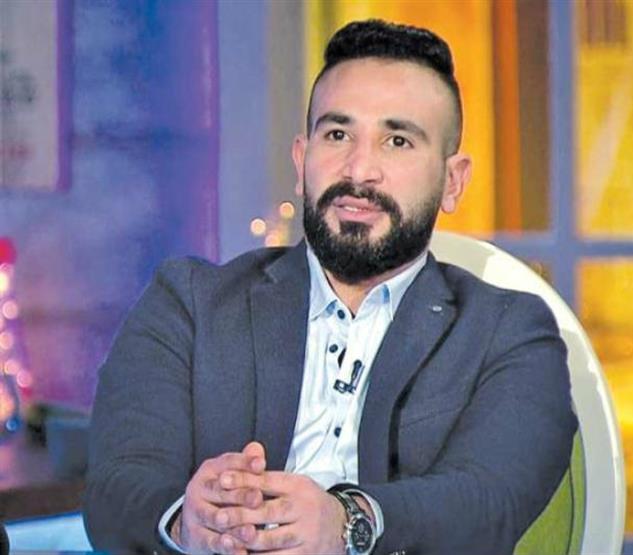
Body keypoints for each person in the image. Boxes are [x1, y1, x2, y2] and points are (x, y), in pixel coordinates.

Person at [84, 19, 577, 555]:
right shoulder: (189, 304)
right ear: (302, 161)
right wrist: (187, 522)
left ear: (452, 181)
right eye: (337, 135)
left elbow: (489, 499)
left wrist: (348, 521)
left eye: (397, 141)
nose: (359, 171)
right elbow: (116, 488)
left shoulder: (509, 331)